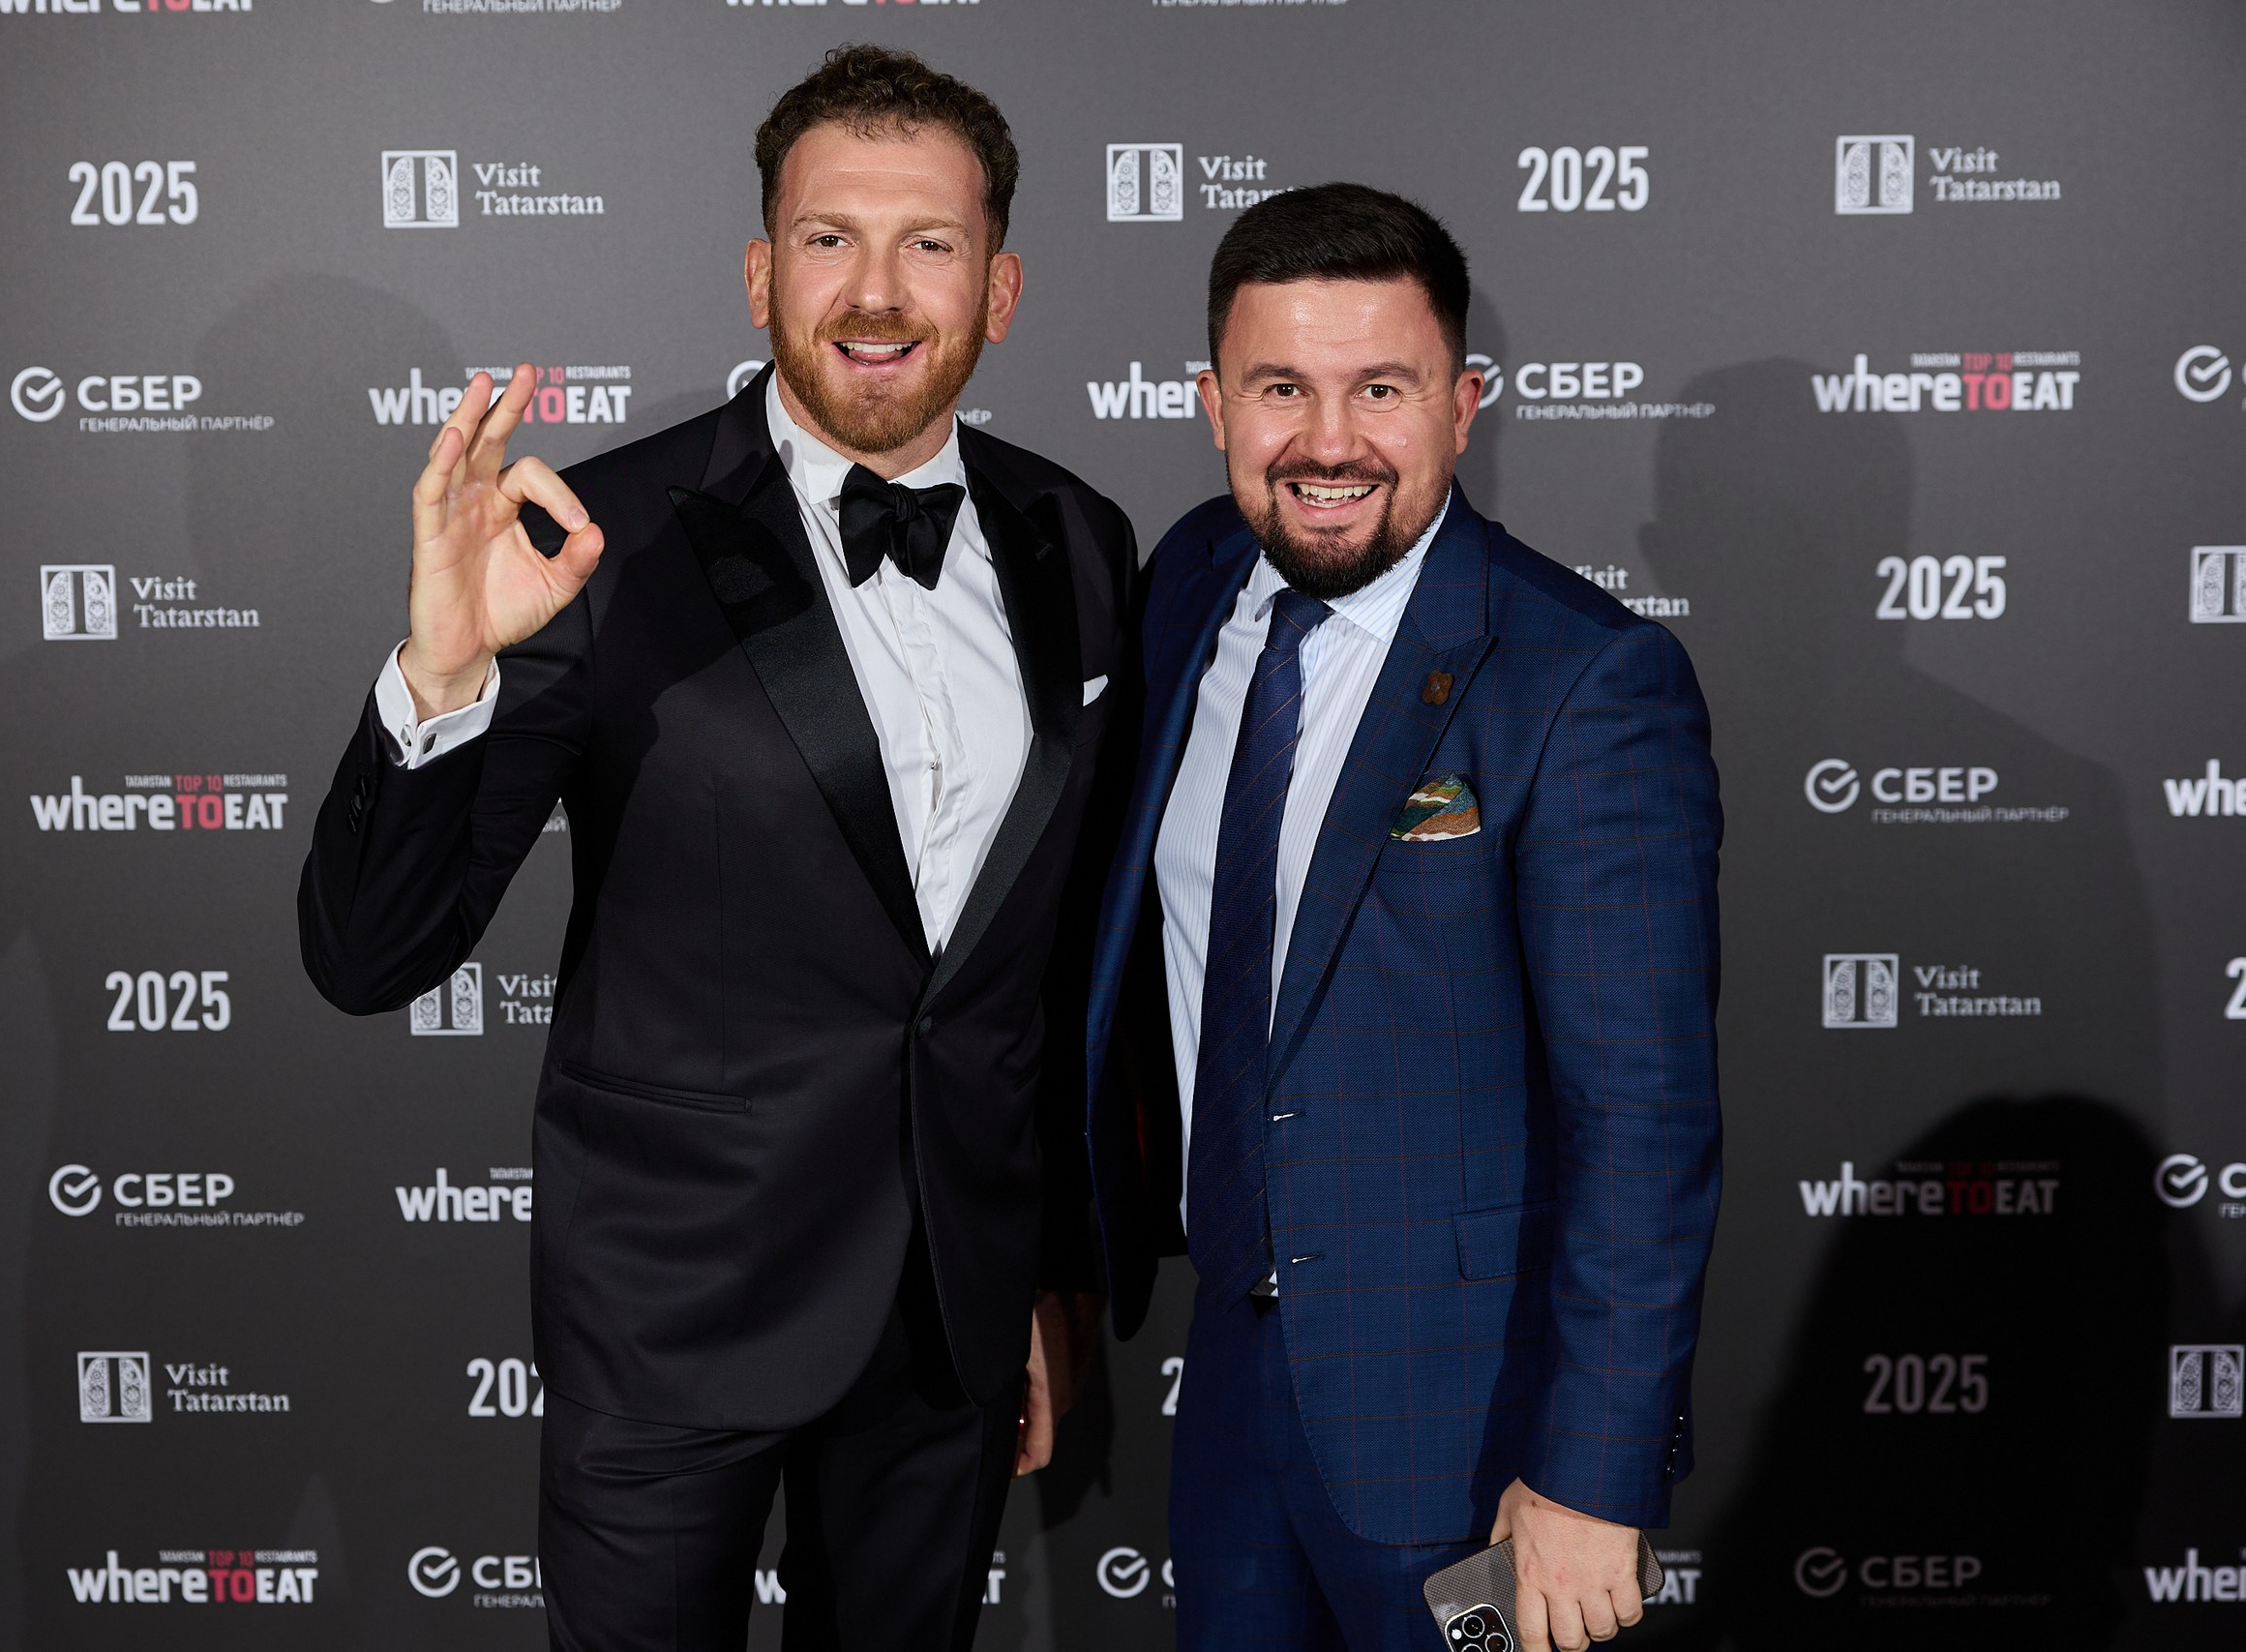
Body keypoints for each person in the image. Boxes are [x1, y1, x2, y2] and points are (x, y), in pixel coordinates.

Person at [298, 46, 1130, 1652]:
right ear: (761, 275)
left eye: (930, 243)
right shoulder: (591, 542)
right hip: (672, 1313)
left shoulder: (1078, 539)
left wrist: (1042, 1271)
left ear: (1002, 288)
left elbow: (1053, 956)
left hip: (948, 1319)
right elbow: (369, 953)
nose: (876, 292)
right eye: (829, 238)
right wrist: (442, 673)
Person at [1082, 184, 1723, 1652]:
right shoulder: (1189, 584)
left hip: (1472, 1435)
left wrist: (1593, 1473)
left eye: (1382, 388)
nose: (1329, 442)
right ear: (1212, 405)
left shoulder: (1583, 680)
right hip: (1230, 1386)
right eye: (1280, 389)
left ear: (1462, 404)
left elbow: (1644, 1118)